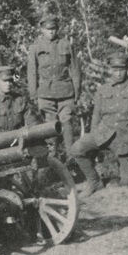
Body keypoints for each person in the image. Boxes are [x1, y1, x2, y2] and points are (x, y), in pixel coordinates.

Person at [69, 52, 128, 198]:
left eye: (122, 69)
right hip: (104, 133)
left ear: (127, 69)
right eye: (115, 70)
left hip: (126, 139)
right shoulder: (103, 90)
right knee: (77, 149)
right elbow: (96, 116)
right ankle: (94, 181)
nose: (118, 73)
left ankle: (122, 171)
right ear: (110, 70)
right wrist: (93, 141)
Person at [26, 14, 82, 158]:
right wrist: (33, 94)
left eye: (54, 29)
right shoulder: (36, 47)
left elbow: (75, 69)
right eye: (47, 29)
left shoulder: (66, 44)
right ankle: (52, 159)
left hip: (66, 90)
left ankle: (72, 157)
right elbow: (32, 72)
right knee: (51, 125)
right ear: (42, 30)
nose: (51, 32)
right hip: (45, 93)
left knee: (67, 121)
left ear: (57, 29)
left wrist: (77, 92)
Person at [0, 66, 41, 133]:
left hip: (18, 141)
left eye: (10, 81)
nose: (8, 84)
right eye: (4, 81)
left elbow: (32, 124)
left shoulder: (20, 100)